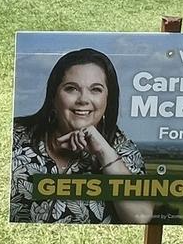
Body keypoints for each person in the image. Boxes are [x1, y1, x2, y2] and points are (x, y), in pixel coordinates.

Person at [11, 48, 152, 224]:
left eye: (96, 89)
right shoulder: (16, 134)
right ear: (53, 97)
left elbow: (141, 218)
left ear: (108, 100)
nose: (83, 99)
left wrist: (103, 152)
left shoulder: (124, 151)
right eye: (71, 89)